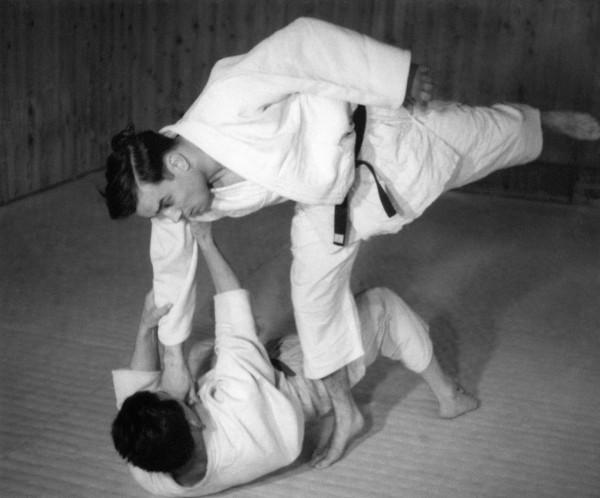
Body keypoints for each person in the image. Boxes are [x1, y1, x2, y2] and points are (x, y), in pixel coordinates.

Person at [103, 17, 600, 468]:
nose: (169, 218)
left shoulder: (226, 99)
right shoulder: (186, 197)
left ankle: (541, 120)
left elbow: (303, 43)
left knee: (478, 140)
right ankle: (346, 412)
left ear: (176, 163)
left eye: (164, 204)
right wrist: (171, 354)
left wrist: (395, 78)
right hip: (323, 202)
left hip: (376, 139)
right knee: (313, 299)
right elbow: (170, 269)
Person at [111, 222, 479, 496]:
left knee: (199, 351)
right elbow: (232, 300)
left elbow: (138, 387)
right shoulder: (238, 402)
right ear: (192, 418)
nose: (167, 389)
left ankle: (253, 346)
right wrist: (206, 240)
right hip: (305, 382)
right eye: (172, 397)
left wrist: (147, 328)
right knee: (381, 303)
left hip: (267, 392)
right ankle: (449, 397)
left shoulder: (153, 473)